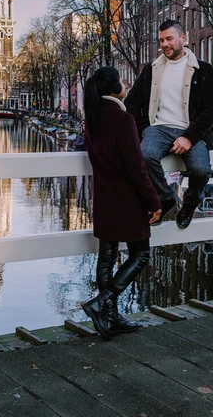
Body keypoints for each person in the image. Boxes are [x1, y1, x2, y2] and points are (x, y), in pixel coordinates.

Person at [81, 66, 161, 340]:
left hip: (103, 197)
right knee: (141, 254)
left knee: (106, 256)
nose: (126, 84)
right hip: (127, 199)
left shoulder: (92, 117)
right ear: (116, 89)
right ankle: (102, 303)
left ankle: (110, 319)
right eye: (122, 81)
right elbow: (137, 168)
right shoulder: (122, 119)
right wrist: (153, 201)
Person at [125, 19, 213, 229]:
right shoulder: (152, 69)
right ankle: (165, 197)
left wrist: (189, 137)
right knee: (144, 155)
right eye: (161, 40)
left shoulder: (203, 70)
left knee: (201, 171)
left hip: (191, 130)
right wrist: (144, 130)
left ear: (183, 39)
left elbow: (212, 109)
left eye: (169, 38)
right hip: (159, 128)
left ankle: (189, 205)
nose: (165, 44)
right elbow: (131, 102)